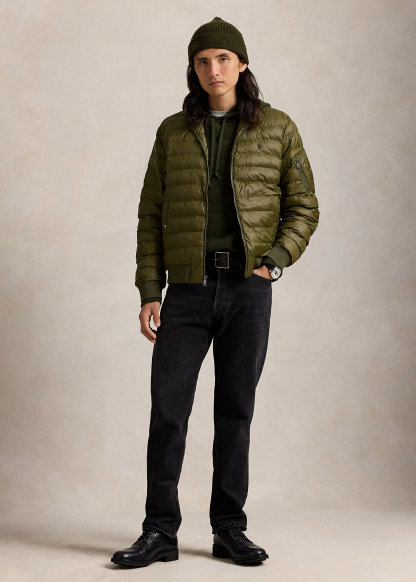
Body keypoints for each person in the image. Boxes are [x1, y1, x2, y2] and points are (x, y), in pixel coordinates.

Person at [111, 16, 319, 569]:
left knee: (235, 412)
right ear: (193, 69)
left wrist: (273, 263)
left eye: (223, 58)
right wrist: (149, 289)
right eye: (203, 61)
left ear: (242, 64)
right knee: (168, 411)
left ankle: (229, 527)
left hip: (248, 290)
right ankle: (160, 531)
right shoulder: (172, 131)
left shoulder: (277, 127)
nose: (214, 69)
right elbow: (150, 215)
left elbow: (304, 206)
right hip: (186, 291)